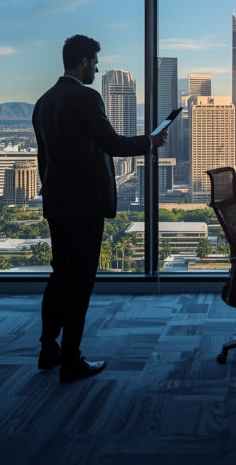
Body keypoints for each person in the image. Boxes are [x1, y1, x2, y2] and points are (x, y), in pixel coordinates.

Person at [32, 35, 166, 383]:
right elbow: (112, 144)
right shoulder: (86, 96)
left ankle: (49, 349)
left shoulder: (43, 102)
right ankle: (71, 360)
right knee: (80, 282)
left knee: (60, 275)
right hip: (85, 205)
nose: (96, 68)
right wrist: (150, 141)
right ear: (83, 62)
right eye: (94, 62)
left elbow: (43, 159)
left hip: (57, 203)